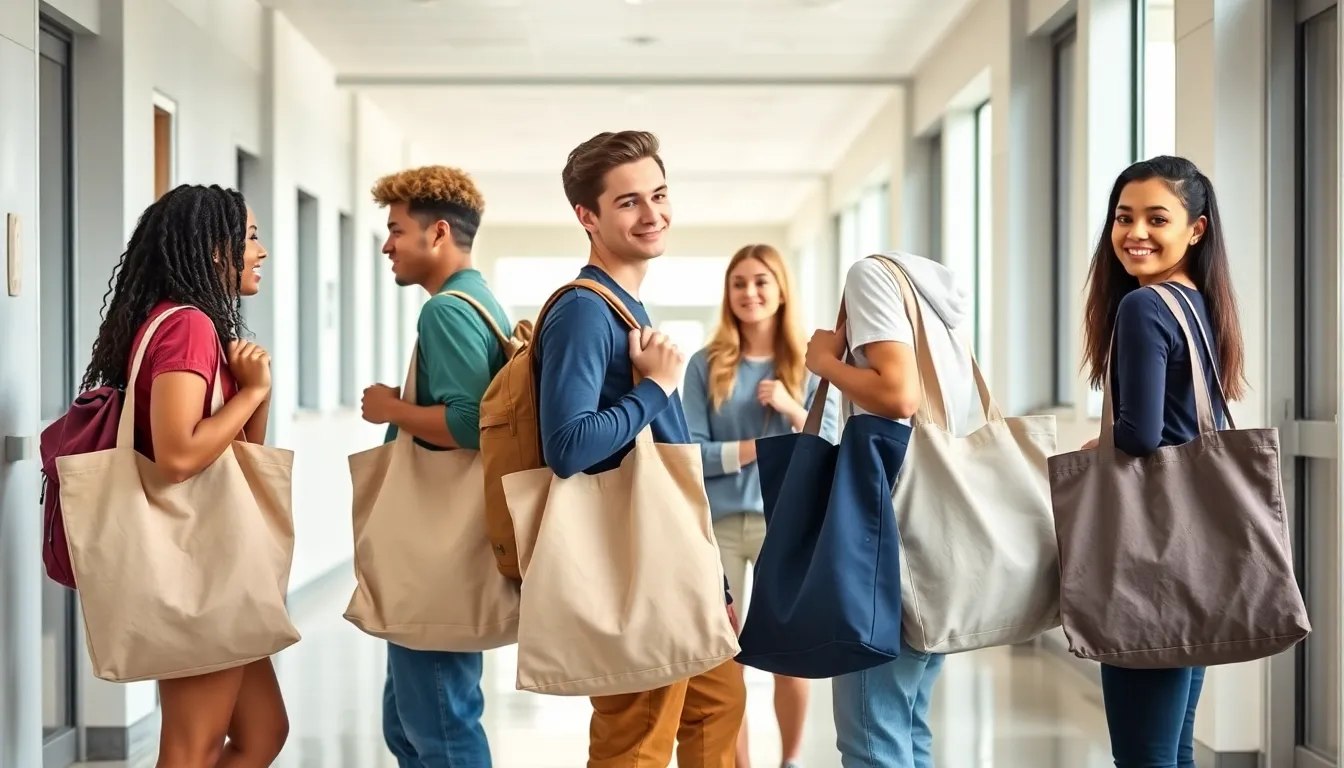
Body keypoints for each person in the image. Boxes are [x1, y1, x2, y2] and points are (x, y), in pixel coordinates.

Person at [536, 130, 747, 768]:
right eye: (628, 202)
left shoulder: (628, 305)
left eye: (658, 195)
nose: (652, 214)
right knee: (638, 739)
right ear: (587, 216)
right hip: (635, 563)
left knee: (717, 701)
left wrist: (713, 581)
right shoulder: (584, 312)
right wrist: (656, 387)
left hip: (675, 560)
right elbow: (567, 447)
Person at [80, 184, 285, 767]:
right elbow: (176, 457)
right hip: (200, 569)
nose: (261, 250)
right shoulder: (187, 327)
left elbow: (238, 457)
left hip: (214, 561)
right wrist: (257, 391)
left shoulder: (183, 323)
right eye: (249, 236)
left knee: (263, 732)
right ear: (214, 248)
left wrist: (252, 398)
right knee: (193, 748)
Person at [1078, 156, 1243, 768]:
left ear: (1195, 229)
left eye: (1156, 218)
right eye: (1124, 218)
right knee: (1173, 748)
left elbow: (1142, 436)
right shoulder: (1197, 303)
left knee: (1146, 755)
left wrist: (1102, 444)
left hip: (1149, 560)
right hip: (1192, 552)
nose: (1135, 233)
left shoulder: (1144, 308)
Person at [359, 165, 513, 768]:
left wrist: (391, 409)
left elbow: (471, 424)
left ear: (438, 233)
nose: (387, 244)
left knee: (440, 724)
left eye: (396, 230)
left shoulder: (445, 312)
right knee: (409, 721)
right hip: (451, 541)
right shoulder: (483, 303)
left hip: (438, 552)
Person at [803, 249, 978, 768]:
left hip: (888, 539)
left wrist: (824, 364)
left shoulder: (868, 276)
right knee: (907, 723)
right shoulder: (938, 306)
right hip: (937, 538)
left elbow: (899, 396)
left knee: (871, 736)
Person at [682, 243, 838, 768]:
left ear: (780, 290)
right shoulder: (705, 365)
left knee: (788, 654)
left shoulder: (811, 362)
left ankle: (789, 761)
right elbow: (689, 455)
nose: (749, 293)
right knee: (724, 659)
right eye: (739, 283)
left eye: (761, 281)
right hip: (717, 525)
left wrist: (792, 408)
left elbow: (830, 442)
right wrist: (754, 450)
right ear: (728, 295)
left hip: (785, 525)